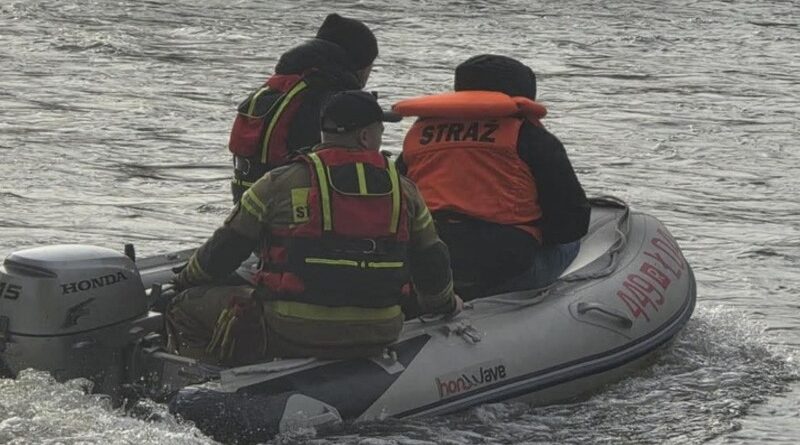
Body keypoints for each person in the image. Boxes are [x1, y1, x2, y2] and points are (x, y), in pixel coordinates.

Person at [168, 91, 461, 365]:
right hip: (380, 331)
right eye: (380, 130)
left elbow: (221, 253)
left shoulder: (278, 182)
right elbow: (432, 263)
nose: (381, 136)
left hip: (291, 331)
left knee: (184, 307)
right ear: (364, 136)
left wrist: (184, 281)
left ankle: (200, 387)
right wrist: (446, 304)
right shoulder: (405, 191)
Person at [393, 54, 590, 300]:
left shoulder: (419, 135)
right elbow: (573, 221)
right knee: (576, 242)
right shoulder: (529, 136)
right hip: (505, 268)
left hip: (429, 266)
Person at [228, 13, 379, 204]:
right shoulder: (332, 93)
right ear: (360, 65)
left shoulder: (284, 83)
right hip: (291, 202)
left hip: (247, 195)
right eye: (370, 67)